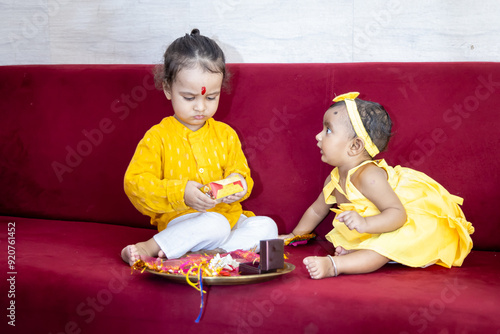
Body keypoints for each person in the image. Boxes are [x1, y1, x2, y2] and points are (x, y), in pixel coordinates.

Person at [121, 29, 277, 265]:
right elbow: (135, 185)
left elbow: (240, 173)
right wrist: (180, 193)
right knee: (214, 224)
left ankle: (207, 257)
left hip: (230, 220)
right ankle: (151, 246)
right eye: (189, 97)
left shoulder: (226, 135)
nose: (201, 107)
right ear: (167, 89)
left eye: (211, 97)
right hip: (187, 222)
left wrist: (239, 184)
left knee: (267, 226)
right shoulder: (158, 137)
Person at [279, 92, 474, 279]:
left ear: (355, 146)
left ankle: (335, 266)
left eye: (328, 130)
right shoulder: (334, 178)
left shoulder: (369, 176)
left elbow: (398, 214)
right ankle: (361, 253)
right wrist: (295, 235)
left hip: (412, 226)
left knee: (387, 245)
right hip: (379, 228)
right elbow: (316, 210)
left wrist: (364, 224)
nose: (318, 136)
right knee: (376, 242)